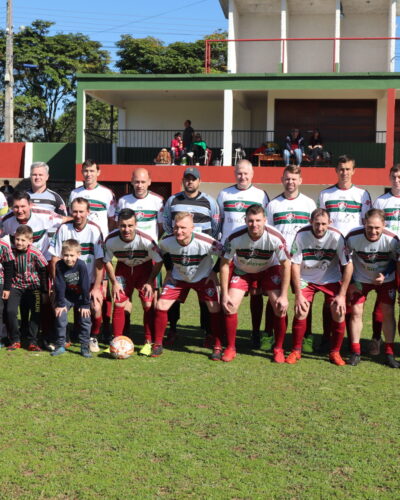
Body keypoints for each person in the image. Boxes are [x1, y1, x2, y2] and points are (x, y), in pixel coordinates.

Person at [219, 204, 290, 363]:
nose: (254, 224)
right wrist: (224, 295)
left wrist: (284, 296)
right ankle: (231, 347)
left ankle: (278, 348)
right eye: (250, 221)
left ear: (265, 220)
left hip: (268, 269)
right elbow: (224, 264)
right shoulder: (234, 237)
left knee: (279, 306)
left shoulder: (275, 237)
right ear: (245, 220)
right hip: (243, 271)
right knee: (230, 305)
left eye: (258, 220)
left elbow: (286, 264)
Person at [317, 155, 371, 352]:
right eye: (341, 169)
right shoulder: (325, 195)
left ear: (354, 171)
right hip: (330, 253)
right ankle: (326, 337)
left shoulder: (362, 195)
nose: (344, 173)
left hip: (354, 254)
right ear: (336, 170)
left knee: (351, 295)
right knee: (329, 296)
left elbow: (366, 224)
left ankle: (349, 339)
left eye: (348, 169)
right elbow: (321, 222)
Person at [163, 166, 220, 346]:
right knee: (174, 295)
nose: (190, 181)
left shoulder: (210, 202)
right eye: (187, 178)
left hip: (202, 256)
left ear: (199, 181)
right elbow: (166, 224)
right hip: (179, 253)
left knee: (206, 298)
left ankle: (208, 332)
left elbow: (216, 226)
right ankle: (172, 329)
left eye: (193, 179)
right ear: (183, 180)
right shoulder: (173, 200)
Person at [153, 212, 223, 358]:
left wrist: (214, 272)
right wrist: (170, 270)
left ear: (192, 228)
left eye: (183, 228)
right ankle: (158, 344)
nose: (179, 231)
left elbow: (226, 254)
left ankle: (217, 345)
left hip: (203, 278)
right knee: (161, 305)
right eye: (176, 228)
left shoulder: (206, 241)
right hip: (179, 278)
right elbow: (163, 253)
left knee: (214, 307)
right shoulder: (166, 241)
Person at [289, 208, 352, 366]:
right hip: (306, 278)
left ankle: (335, 352)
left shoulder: (337, 236)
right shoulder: (301, 235)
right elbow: (295, 264)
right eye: (317, 223)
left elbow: (348, 265)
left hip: (330, 278)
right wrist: (298, 294)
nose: (320, 227)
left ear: (329, 223)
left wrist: (342, 295)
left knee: (338, 311)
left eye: (324, 224)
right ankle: (296, 350)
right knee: (301, 310)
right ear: (311, 222)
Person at [217, 159, 270, 349]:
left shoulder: (261, 195)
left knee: (256, 294)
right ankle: (224, 333)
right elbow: (219, 222)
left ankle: (255, 332)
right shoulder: (224, 194)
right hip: (231, 253)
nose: (243, 176)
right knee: (227, 294)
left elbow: (266, 223)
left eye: (246, 173)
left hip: (253, 252)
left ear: (252, 174)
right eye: (239, 173)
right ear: (234, 173)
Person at [265, 165, 316, 353]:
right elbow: (268, 232)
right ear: (282, 180)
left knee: (304, 300)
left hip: (302, 262)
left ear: (300, 181)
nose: (290, 182)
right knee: (275, 298)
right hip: (279, 261)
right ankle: (269, 335)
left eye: (294, 179)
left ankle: (306, 337)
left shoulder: (309, 204)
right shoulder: (273, 205)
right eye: (287, 178)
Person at [345, 209, 400, 368]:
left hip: (385, 279)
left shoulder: (393, 240)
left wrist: (385, 274)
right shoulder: (352, 237)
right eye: (369, 227)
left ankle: (389, 353)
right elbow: (345, 260)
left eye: (377, 227)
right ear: (364, 223)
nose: (373, 231)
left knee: (388, 313)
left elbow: (394, 261)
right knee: (356, 311)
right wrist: (353, 281)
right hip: (360, 279)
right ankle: (356, 352)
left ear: (384, 225)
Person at [104, 209, 163, 356]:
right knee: (118, 302)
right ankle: (117, 341)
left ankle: (148, 342)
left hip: (144, 270)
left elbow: (159, 261)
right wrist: (114, 282)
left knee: (148, 304)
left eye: (130, 225)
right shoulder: (110, 240)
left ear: (136, 224)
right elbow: (106, 261)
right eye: (123, 226)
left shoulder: (147, 240)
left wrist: (150, 281)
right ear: (118, 225)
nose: (126, 229)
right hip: (123, 269)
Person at [49, 197, 104, 353]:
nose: (78, 215)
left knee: (95, 306)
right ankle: (63, 338)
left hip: (87, 284)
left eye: (81, 211)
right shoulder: (64, 229)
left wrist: (97, 287)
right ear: (70, 211)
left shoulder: (94, 230)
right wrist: (55, 285)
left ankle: (92, 337)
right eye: (75, 211)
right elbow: (54, 259)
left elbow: (100, 261)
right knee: (58, 306)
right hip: (65, 284)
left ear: (88, 212)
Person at [370, 164, 400, 355]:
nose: (397, 180)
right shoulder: (381, 201)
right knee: (382, 303)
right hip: (385, 257)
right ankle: (375, 339)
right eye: (394, 176)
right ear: (389, 178)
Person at [5, 225, 48, 351]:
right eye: (17, 239)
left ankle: (32, 341)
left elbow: (44, 270)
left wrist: (44, 291)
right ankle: (15, 340)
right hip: (16, 285)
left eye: (23, 240)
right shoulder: (11, 251)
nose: (19, 242)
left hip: (33, 287)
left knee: (35, 312)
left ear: (30, 241)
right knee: (11, 311)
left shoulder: (35, 252)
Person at [51, 239, 92, 358]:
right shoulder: (59, 265)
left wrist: (86, 305)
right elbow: (60, 285)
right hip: (66, 297)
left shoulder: (81, 265)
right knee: (60, 317)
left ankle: (84, 347)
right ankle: (60, 345)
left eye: (72, 255)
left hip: (80, 297)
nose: (68, 258)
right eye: (66, 255)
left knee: (85, 319)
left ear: (78, 255)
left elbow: (85, 285)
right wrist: (60, 304)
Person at [1, 191, 64, 258]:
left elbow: (66, 219)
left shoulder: (43, 214)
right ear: (12, 207)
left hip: (42, 259)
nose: (19, 210)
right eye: (16, 207)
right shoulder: (6, 220)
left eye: (23, 206)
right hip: (17, 260)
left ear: (30, 205)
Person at [68, 159, 116, 238]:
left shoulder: (107, 193)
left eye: (92, 171)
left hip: (100, 239)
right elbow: (71, 217)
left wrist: (105, 235)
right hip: (80, 238)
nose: (88, 174)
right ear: (82, 172)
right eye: (86, 171)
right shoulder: (74, 193)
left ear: (98, 172)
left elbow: (112, 220)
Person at [115, 168, 164, 242]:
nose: (140, 185)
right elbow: (117, 225)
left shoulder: (158, 200)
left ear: (149, 182)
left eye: (143, 182)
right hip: (129, 246)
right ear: (132, 181)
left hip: (150, 247)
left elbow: (161, 226)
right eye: (137, 182)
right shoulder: (123, 201)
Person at [0, 235, 14, 346]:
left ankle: (2, 337)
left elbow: (9, 267)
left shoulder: (4, 246)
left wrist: (7, 287)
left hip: (0, 282)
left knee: (1, 310)